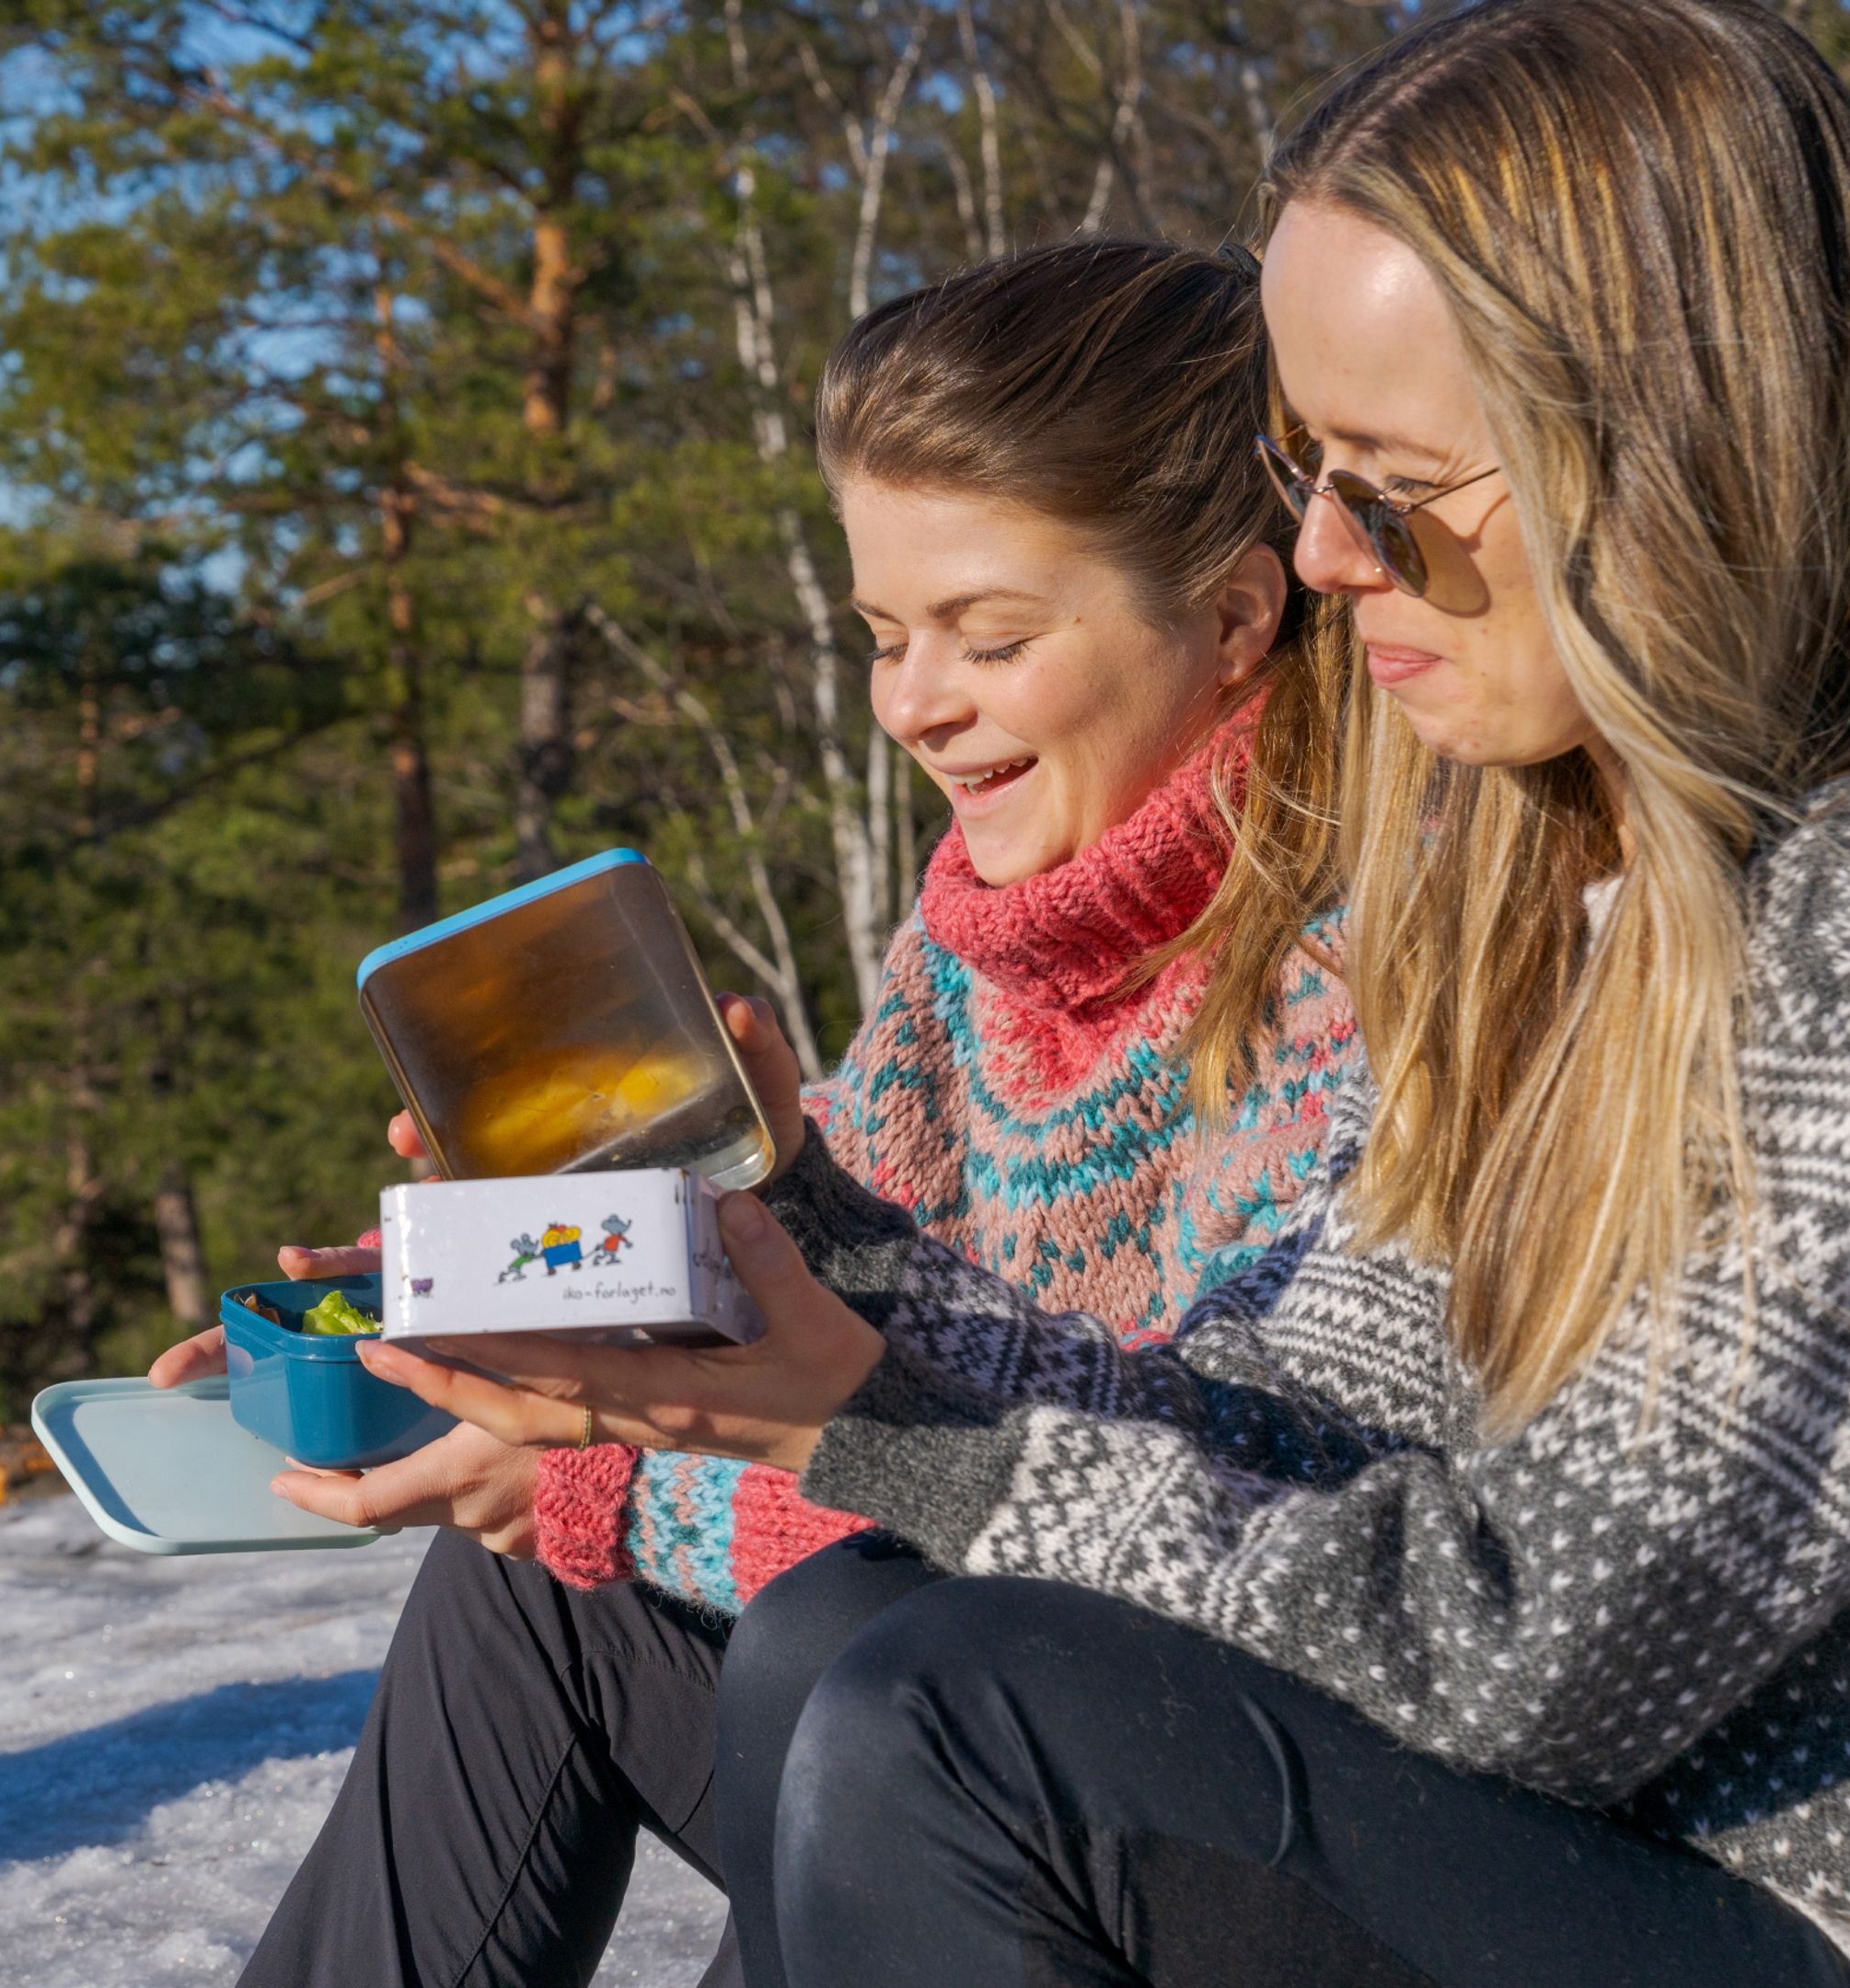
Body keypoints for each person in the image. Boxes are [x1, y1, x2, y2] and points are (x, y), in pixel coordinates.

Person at [366, 1, 1850, 1982]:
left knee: (951, 1719)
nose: (1318, 552)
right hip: (1584, 1847)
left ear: (1661, 453)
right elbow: (1321, 1425)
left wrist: (884, 1439)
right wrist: (802, 1306)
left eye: (1390, 479)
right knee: (840, 1652)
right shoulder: (1573, 872)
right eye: (1306, 466)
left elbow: (1529, 1651)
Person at [156, 238, 1366, 1987]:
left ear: (1244, 614)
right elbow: (795, 1311)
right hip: (956, 1725)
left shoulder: (1371, 970)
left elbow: (1195, 1562)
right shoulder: (973, 948)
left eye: (990, 634)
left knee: (818, 1638)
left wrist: (604, 1474)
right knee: (574, 1593)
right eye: (883, 635)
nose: (914, 703)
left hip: (1228, 1828)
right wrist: (472, 1310)